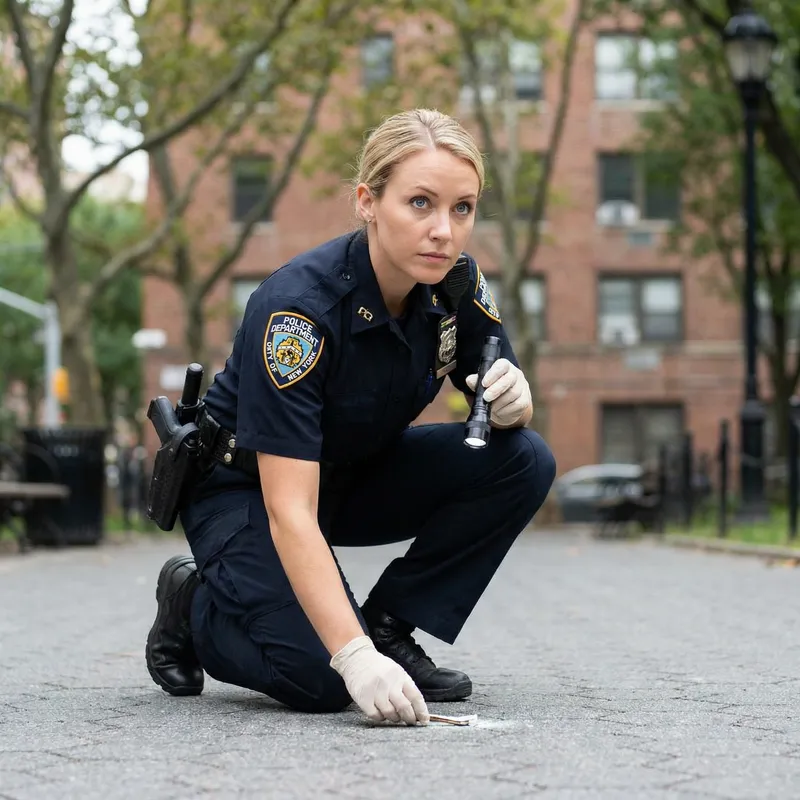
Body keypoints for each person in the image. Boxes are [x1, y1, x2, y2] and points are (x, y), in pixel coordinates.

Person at [144, 108, 557, 727]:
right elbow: (289, 510)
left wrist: (511, 404)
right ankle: (194, 602)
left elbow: (490, 397)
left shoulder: (455, 285)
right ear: (368, 201)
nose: (443, 230)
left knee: (523, 460)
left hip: (350, 474)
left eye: (462, 208)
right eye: (420, 203)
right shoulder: (298, 313)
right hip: (247, 491)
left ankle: (390, 625)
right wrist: (351, 655)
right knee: (320, 679)